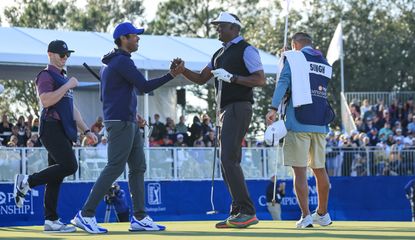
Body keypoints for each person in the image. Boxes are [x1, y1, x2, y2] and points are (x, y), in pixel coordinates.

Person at [71, 22, 183, 234]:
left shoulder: (114, 63)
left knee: (138, 167)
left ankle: (139, 217)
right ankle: (85, 214)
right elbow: (144, 86)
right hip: (120, 122)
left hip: (126, 120)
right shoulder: (121, 61)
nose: (138, 39)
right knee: (115, 167)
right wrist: (171, 75)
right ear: (123, 38)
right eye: (134, 36)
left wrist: (133, 114)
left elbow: (109, 96)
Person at [176, 12, 266, 228]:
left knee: (228, 159)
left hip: (239, 107)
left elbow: (260, 79)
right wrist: (182, 70)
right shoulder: (218, 53)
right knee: (226, 160)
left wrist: (234, 78)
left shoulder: (247, 49)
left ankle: (246, 211)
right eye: (217, 26)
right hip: (225, 110)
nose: (218, 29)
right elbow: (200, 78)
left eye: (222, 26)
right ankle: (238, 210)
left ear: (234, 28)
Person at [13, 40, 97, 233]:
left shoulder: (62, 77)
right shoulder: (46, 74)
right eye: (62, 54)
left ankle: (51, 220)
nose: (65, 57)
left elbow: (72, 109)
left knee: (56, 176)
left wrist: (86, 130)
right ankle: (26, 181)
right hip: (51, 127)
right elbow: (45, 100)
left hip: (63, 129)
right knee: (70, 166)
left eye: (67, 55)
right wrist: (67, 85)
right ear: (50, 54)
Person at [266, 32, 334, 228]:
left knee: (300, 172)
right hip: (320, 123)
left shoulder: (294, 58)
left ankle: (306, 216)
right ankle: (323, 213)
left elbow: (283, 82)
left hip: (298, 121)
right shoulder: (324, 61)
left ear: (295, 44)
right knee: (320, 170)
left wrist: (273, 108)